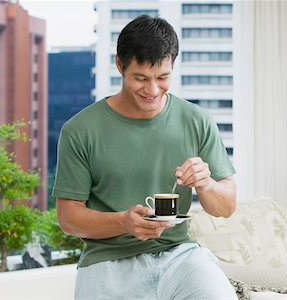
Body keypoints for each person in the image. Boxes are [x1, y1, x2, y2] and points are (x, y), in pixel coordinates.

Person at [53, 15, 237, 299]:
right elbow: (68, 218)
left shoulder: (197, 120)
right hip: (107, 261)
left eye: (162, 78)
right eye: (140, 78)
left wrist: (207, 184)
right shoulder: (79, 131)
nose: (152, 90)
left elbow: (225, 206)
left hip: (179, 256)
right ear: (120, 65)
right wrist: (124, 222)